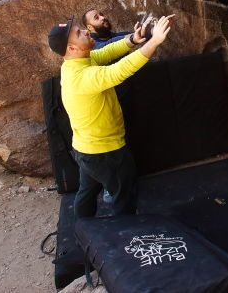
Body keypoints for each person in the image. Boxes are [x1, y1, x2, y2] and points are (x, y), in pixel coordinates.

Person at [47, 15, 173, 218]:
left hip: (86, 149)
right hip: (105, 152)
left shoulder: (77, 63)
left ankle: (83, 227)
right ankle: (124, 237)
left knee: (87, 191)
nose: (86, 31)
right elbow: (121, 70)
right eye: (79, 33)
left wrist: (133, 39)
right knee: (124, 195)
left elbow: (106, 52)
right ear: (71, 48)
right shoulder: (82, 77)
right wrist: (155, 41)